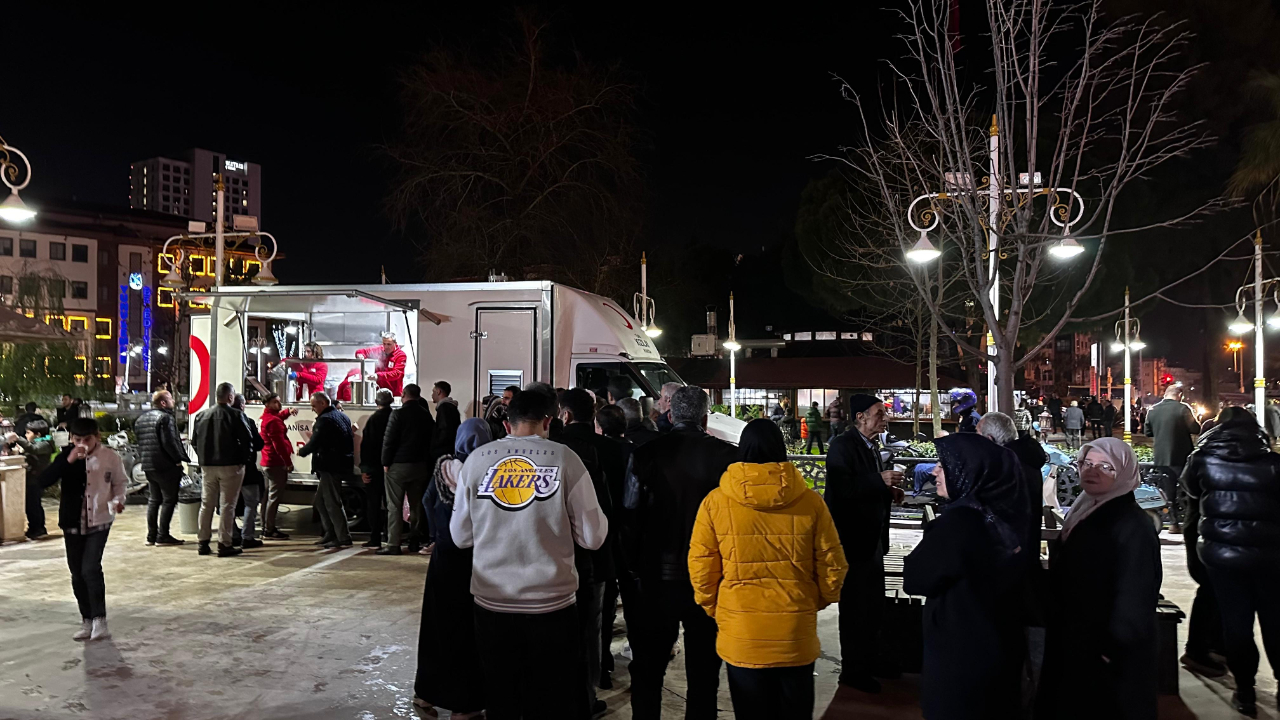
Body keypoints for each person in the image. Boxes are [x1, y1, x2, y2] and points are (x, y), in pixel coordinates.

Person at [450, 390, 607, 719]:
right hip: (552, 605)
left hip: (492, 602)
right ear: (549, 420)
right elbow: (593, 537)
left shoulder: (477, 460)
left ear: (506, 423)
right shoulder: (565, 459)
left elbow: (460, 537)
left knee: (501, 697)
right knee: (551, 698)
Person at [688, 419, 848, 720]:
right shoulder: (810, 502)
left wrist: (716, 608)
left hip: (742, 630)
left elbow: (700, 566)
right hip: (794, 629)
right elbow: (833, 563)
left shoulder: (716, 502)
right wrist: (815, 600)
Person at [623, 385, 738, 720]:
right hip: (708, 578)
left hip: (655, 574)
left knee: (648, 667)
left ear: (670, 415)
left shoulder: (645, 453)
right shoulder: (728, 457)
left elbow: (630, 516)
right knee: (704, 670)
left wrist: (633, 569)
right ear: (705, 417)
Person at [905, 433, 1030, 720]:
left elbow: (917, 578)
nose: (936, 471)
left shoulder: (961, 522)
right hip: (999, 643)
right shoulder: (1003, 511)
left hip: (961, 650)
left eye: (944, 464)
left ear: (968, 471)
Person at [1038, 437, 1161, 720]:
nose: (1092, 472)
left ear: (1125, 471)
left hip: (1105, 653)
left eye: (1106, 466)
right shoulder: (1088, 507)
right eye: (1087, 464)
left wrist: (1110, 651)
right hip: (1078, 639)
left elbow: (1136, 594)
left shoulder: (1131, 524)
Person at [1182, 406, 1280, 715]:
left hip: (1222, 556)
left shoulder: (1203, 458)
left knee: (1237, 625)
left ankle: (1245, 692)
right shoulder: (1273, 462)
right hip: (1270, 555)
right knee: (1276, 623)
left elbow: (1190, 490)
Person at [824, 393, 903, 693]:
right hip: (852, 541)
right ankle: (853, 669)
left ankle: (870, 660)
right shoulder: (842, 446)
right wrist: (879, 481)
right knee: (855, 608)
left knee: (872, 606)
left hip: (872, 542)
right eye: (879, 413)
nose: (885, 417)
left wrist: (888, 492)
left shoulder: (871, 446)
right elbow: (843, 489)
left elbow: (867, 485)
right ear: (860, 417)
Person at [414, 418, 493, 719]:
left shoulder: (442, 467)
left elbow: (425, 501)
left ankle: (425, 693)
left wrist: (436, 535)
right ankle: (465, 704)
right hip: (474, 558)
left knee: (437, 626)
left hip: (443, 558)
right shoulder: (486, 470)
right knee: (468, 631)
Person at [552, 387, 623, 717]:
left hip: (556, 556)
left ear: (564, 414)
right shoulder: (613, 448)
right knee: (596, 623)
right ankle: (593, 685)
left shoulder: (554, 451)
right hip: (601, 552)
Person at [37, 417, 128, 641]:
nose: (82, 444)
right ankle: (86, 619)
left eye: (87, 439)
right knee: (77, 572)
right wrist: (67, 461)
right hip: (72, 522)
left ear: (97, 436)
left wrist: (118, 499)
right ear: (71, 438)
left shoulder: (110, 457)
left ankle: (100, 620)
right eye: (77, 439)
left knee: (90, 568)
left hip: (99, 520)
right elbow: (43, 481)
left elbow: (120, 482)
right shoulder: (65, 457)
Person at [192, 382, 253, 557]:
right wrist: (242, 461)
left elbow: (195, 441)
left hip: (207, 466)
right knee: (227, 505)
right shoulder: (235, 415)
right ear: (230, 397)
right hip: (231, 466)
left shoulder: (201, 415)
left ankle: (203, 542)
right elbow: (247, 441)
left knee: (206, 504)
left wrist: (203, 458)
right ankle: (224, 543)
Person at [379, 384, 436, 555]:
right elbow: (430, 440)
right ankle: (414, 541)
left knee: (394, 506)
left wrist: (385, 462)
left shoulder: (398, 414)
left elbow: (389, 440)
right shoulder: (426, 416)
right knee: (416, 505)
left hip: (398, 466)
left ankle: (393, 544)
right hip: (419, 466)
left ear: (403, 394)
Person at [297, 391, 354, 549]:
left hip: (330, 465)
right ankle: (330, 533)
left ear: (323, 403)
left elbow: (315, 442)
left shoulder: (325, 420)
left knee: (331, 502)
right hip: (339, 464)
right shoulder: (342, 416)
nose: (313, 409)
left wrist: (302, 452)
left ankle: (342, 537)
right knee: (320, 502)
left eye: (314, 406)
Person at [135, 390, 189, 547]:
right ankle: (163, 535)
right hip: (166, 466)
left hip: (148, 465)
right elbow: (169, 442)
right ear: (163, 403)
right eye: (171, 399)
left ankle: (151, 535)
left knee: (153, 500)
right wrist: (178, 460)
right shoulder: (166, 418)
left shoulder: (141, 419)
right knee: (169, 500)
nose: (173, 401)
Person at [1144, 385, 1201, 534]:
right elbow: (1195, 429)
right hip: (1182, 457)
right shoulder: (1183, 408)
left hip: (1161, 458)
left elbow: (1147, 432)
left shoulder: (1153, 409)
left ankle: (1173, 523)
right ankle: (1191, 523)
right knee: (1190, 491)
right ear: (1179, 395)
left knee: (1169, 493)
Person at [228, 394, 267, 549]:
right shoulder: (247, 421)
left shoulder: (222, 421)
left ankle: (233, 534)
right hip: (246, 469)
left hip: (225, 468)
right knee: (251, 502)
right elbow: (258, 444)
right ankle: (247, 536)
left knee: (227, 504)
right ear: (243, 405)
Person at [359, 388, 394, 549]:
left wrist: (363, 469)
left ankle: (375, 538)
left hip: (373, 468)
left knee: (373, 504)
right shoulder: (395, 417)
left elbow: (367, 446)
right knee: (391, 504)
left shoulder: (373, 420)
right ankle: (390, 535)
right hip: (392, 468)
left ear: (376, 402)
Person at [10, 419, 54, 540]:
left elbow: (33, 449)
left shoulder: (46, 443)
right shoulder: (39, 442)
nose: (26, 435)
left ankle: (38, 529)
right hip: (32, 478)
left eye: (28, 433)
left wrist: (18, 438)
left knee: (33, 505)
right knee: (32, 505)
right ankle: (36, 527)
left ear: (38, 434)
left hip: (37, 479)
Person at [258, 393, 294, 540]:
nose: (279, 405)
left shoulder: (267, 418)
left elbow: (278, 417)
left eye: (279, 402)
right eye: (275, 402)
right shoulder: (273, 421)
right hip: (276, 463)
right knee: (274, 498)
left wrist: (287, 413)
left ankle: (265, 526)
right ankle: (269, 529)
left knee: (267, 497)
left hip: (267, 462)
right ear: (267, 404)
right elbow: (279, 445)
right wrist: (288, 462)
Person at [355, 331, 408, 396]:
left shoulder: (400, 355)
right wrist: (360, 355)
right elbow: (362, 351)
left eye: (389, 344)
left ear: (395, 343)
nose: (386, 347)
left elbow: (397, 373)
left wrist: (378, 376)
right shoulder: (379, 350)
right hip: (378, 392)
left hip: (394, 394)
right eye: (384, 344)